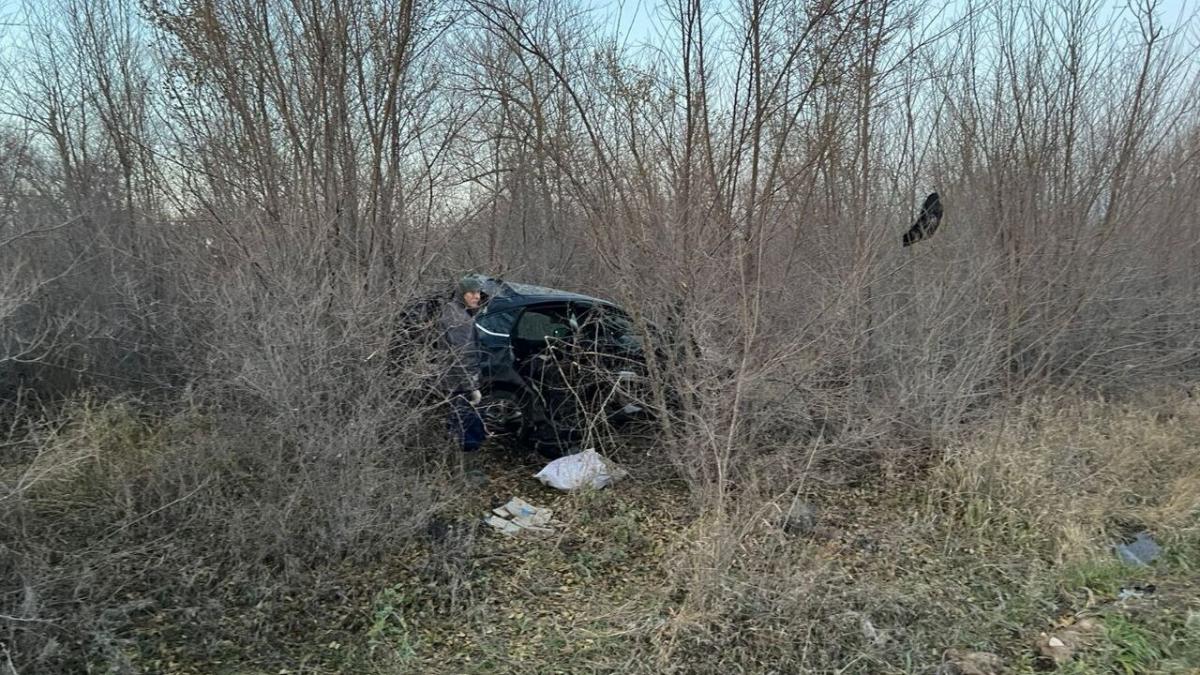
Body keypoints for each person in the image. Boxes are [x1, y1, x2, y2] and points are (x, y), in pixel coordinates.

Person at [439, 275, 488, 480]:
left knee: (457, 426)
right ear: (462, 294)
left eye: (478, 293)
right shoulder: (459, 320)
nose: (476, 297)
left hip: (452, 382)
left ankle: (455, 471)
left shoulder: (454, 312)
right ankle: (468, 475)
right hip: (460, 385)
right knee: (469, 429)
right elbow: (462, 357)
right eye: (472, 293)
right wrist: (471, 388)